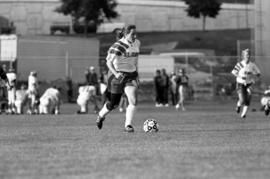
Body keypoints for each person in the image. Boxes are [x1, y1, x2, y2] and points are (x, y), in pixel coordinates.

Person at [96, 25, 140, 132]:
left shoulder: (137, 43)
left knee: (133, 100)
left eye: (135, 33)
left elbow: (134, 61)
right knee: (113, 104)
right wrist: (116, 74)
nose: (135, 36)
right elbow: (108, 62)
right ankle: (101, 116)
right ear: (126, 34)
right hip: (117, 76)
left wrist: (136, 74)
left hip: (130, 76)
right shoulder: (118, 45)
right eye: (132, 34)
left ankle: (128, 125)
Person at [231, 48, 261, 118]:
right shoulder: (240, 64)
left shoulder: (252, 65)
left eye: (249, 55)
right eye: (247, 55)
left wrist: (254, 79)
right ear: (243, 56)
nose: (248, 56)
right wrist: (240, 77)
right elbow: (234, 72)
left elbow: (258, 74)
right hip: (240, 84)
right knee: (242, 101)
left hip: (249, 84)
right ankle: (238, 105)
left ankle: (243, 114)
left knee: (248, 98)